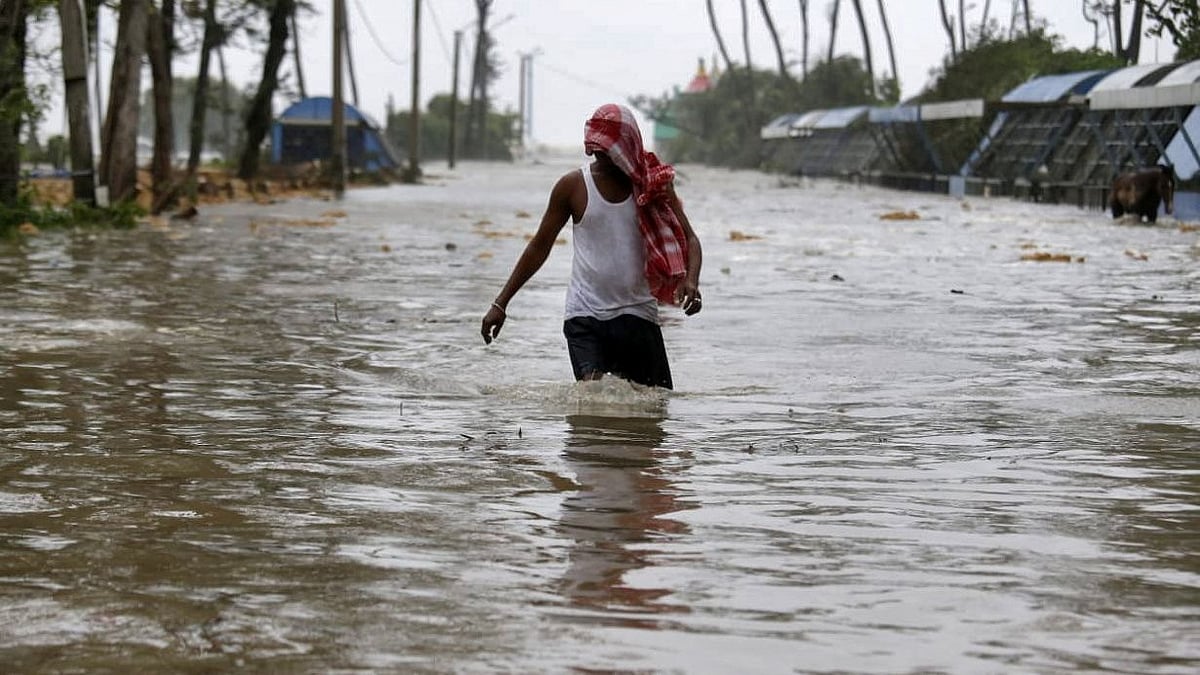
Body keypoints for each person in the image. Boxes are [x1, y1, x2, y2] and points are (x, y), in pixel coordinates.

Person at [480, 103, 702, 389]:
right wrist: (501, 303)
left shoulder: (653, 187)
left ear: (628, 146)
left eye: (609, 150)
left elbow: (690, 239)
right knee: (594, 402)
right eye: (598, 149)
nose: (603, 157)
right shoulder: (572, 187)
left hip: (638, 315)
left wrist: (691, 280)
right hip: (584, 317)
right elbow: (539, 247)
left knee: (653, 409)